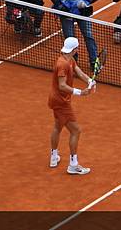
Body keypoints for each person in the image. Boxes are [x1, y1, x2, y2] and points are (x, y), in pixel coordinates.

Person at [48, 37, 96, 175]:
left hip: (56, 100)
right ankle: (73, 165)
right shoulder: (62, 64)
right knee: (76, 131)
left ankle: (53, 157)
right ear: (75, 49)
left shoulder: (69, 59)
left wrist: (90, 80)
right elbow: (62, 86)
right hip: (61, 102)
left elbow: (78, 72)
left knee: (58, 127)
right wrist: (80, 92)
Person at [47, 0, 101, 71]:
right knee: (69, 39)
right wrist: (61, 6)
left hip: (82, 11)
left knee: (89, 36)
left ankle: (94, 61)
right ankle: (73, 62)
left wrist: (86, 2)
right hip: (67, 12)